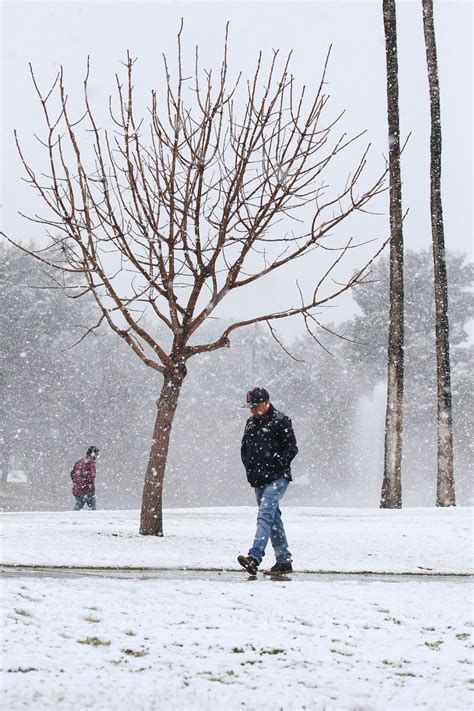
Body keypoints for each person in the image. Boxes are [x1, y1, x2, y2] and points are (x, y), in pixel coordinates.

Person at [238, 387, 298, 576]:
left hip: (277, 478)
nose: (253, 410)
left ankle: (254, 557)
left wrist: (277, 465)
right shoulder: (250, 423)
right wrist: (250, 470)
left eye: (256, 406)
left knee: (265, 514)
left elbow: (291, 448)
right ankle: (283, 561)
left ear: (266, 402)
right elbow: (245, 449)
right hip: (258, 479)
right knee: (273, 519)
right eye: (251, 407)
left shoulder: (281, 421)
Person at [71, 446, 99, 510]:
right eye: (96, 454)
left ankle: (71, 518)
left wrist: (77, 485)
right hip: (87, 489)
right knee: (92, 507)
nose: (96, 456)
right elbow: (91, 477)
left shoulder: (79, 462)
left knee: (78, 506)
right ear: (92, 453)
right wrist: (88, 489)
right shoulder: (90, 463)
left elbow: (72, 474)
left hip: (78, 489)